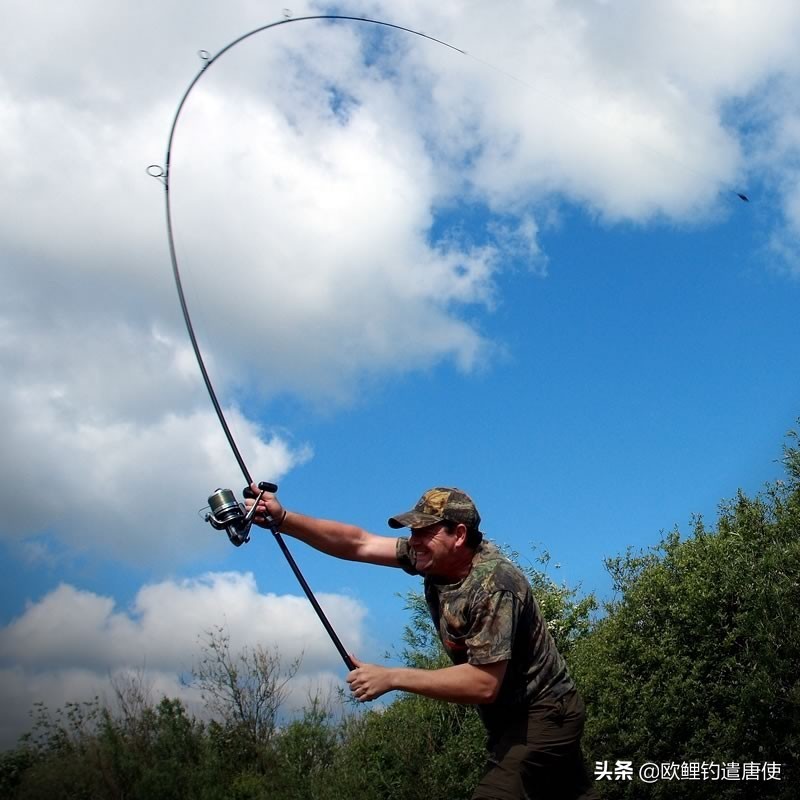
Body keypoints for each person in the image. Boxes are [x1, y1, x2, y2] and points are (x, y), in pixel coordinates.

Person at [247, 485, 598, 800]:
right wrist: (284, 519)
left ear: (459, 535)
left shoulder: (495, 584)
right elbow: (358, 543)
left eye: (424, 532)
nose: (414, 541)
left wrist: (392, 678)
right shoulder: (431, 557)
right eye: (412, 531)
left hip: (543, 714)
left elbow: (484, 683)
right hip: (511, 721)